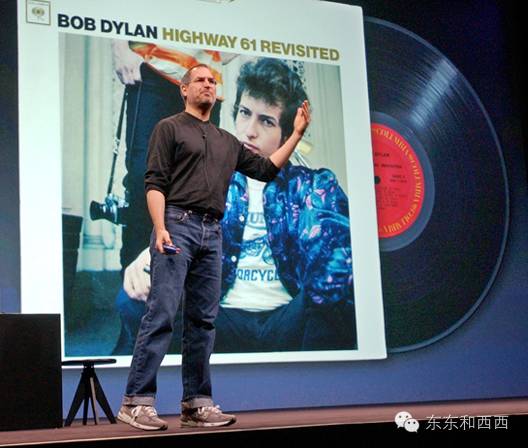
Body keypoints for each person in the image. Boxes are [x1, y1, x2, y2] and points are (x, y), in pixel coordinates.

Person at [116, 62, 311, 430]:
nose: (207, 84)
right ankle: (136, 402)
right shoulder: (169, 128)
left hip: (212, 230)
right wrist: (159, 228)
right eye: (199, 80)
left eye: (212, 80)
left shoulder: (226, 141)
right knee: (161, 313)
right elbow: (155, 182)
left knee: (203, 322)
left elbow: (266, 170)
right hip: (177, 224)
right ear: (184, 89)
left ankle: (196, 404)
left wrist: (297, 134)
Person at [118, 58, 355, 353]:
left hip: (289, 320)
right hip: (219, 319)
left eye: (266, 121)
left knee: (334, 299)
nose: (249, 131)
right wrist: (151, 256)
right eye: (244, 113)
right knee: (134, 299)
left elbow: (333, 251)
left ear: (286, 133)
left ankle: (311, 380)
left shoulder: (312, 185)